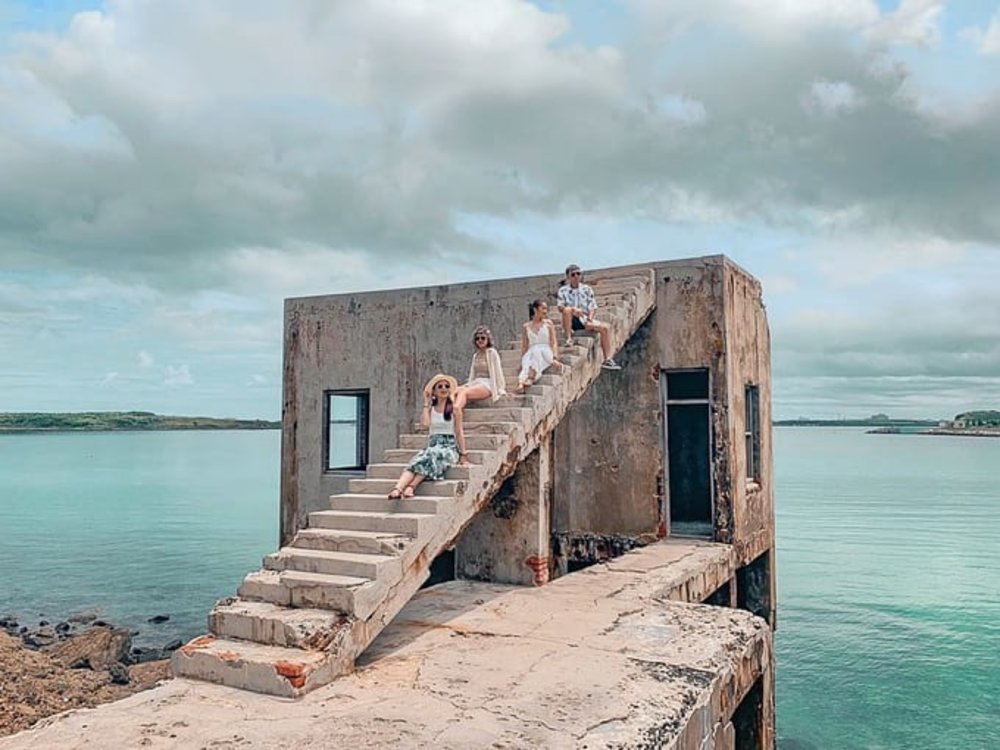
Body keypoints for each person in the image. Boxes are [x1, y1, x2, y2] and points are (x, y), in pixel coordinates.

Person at [388, 374, 470, 498]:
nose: (444, 389)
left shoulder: (454, 409)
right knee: (416, 461)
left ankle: (411, 487)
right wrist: (426, 403)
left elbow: (459, 432)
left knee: (432, 456)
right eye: (440, 386)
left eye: (446, 386)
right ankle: (398, 489)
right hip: (432, 444)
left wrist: (463, 454)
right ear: (434, 391)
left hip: (448, 447)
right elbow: (425, 425)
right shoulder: (431, 410)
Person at [556, 263, 621, 370]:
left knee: (604, 328)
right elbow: (560, 307)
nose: (576, 277)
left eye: (578, 274)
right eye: (573, 275)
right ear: (568, 277)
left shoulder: (586, 289)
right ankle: (568, 338)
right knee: (567, 310)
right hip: (570, 319)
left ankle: (608, 359)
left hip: (584, 318)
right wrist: (573, 310)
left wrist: (590, 318)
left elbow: (593, 306)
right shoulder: (563, 290)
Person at [455, 325, 506, 410]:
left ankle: (456, 409)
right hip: (475, 382)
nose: (480, 340)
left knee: (463, 392)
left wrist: (500, 389)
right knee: (453, 391)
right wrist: (468, 384)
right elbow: (473, 374)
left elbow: (498, 371)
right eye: (477, 338)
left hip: (487, 383)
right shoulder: (476, 355)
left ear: (488, 339)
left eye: (483, 338)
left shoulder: (492, 353)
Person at [516, 299, 563, 392]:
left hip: (545, 351)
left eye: (546, 309)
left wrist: (554, 358)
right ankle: (521, 382)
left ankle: (530, 378)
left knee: (536, 352)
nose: (545, 311)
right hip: (532, 351)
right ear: (535, 309)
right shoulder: (526, 326)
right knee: (529, 358)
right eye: (543, 308)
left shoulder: (549, 323)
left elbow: (553, 342)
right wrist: (521, 360)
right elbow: (525, 345)